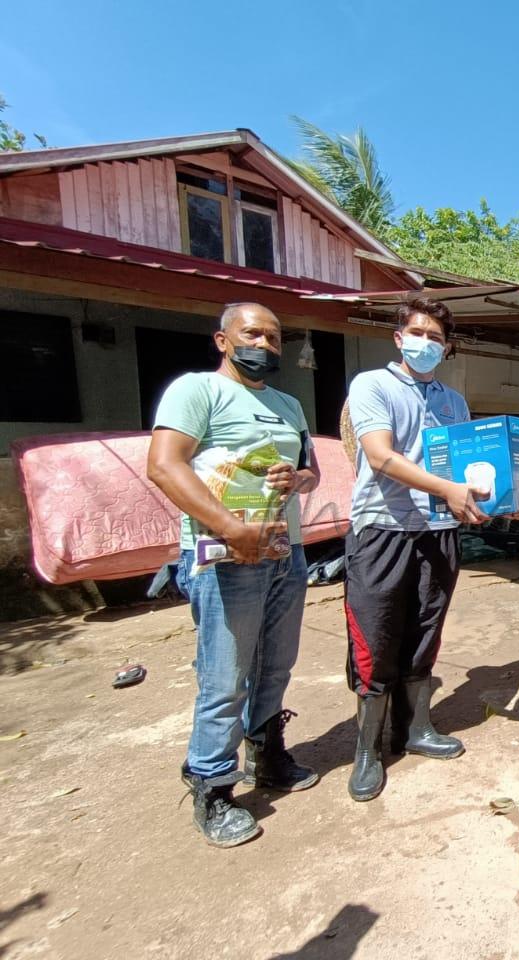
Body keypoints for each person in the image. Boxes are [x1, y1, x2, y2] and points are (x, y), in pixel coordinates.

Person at [147, 302, 319, 848]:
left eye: (274, 338)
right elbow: (164, 464)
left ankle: (267, 752)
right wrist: (230, 528)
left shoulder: (289, 404)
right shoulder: (197, 390)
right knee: (226, 677)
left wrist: (298, 479)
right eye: (252, 334)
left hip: (284, 551)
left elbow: (311, 472)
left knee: (275, 665)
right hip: (225, 555)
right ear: (223, 340)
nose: (264, 345)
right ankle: (212, 784)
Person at [343, 296, 487, 802]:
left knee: (426, 630)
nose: (426, 343)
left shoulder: (453, 401)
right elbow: (380, 456)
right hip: (383, 530)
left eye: (436, 337)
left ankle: (415, 728)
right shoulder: (373, 385)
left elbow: (464, 467)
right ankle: (367, 748)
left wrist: (483, 496)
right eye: (418, 333)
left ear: (446, 348)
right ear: (399, 337)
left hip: (439, 530)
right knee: (376, 638)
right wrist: (448, 489)